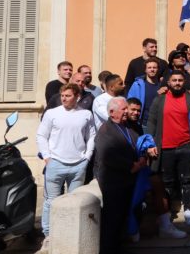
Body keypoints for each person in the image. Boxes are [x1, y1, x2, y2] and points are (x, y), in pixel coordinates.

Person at [36, 83, 95, 248]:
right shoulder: (51, 113)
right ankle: (48, 235)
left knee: (74, 202)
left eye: (68, 96)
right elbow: (41, 135)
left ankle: (71, 233)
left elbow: (91, 136)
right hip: (55, 163)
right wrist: (47, 158)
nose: (64, 98)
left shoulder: (86, 114)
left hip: (78, 165)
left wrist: (87, 157)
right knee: (50, 201)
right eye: (62, 95)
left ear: (77, 96)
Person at [125, 98, 187, 239]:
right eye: (132, 110)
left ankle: (165, 225)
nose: (136, 113)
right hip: (125, 170)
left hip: (139, 167)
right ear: (125, 109)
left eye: (138, 111)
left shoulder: (138, 127)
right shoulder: (121, 126)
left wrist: (148, 150)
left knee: (158, 183)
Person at [146, 70, 190, 227]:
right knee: (167, 181)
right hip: (166, 147)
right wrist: (150, 143)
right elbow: (151, 122)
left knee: (187, 179)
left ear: (184, 82)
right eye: (174, 80)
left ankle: (188, 208)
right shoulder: (159, 99)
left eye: (180, 80)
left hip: (186, 145)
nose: (177, 83)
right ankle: (168, 211)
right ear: (168, 83)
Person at [95, 97, 147, 254]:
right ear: (112, 112)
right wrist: (132, 166)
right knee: (112, 221)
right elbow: (107, 156)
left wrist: (144, 154)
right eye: (124, 109)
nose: (127, 112)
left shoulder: (127, 128)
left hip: (127, 182)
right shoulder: (105, 131)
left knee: (122, 219)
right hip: (114, 183)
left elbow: (137, 145)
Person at [127, 58, 163, 131]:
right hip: (143, 124)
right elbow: (130, 103)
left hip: (160, 124)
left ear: (158, 69)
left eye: (154, 67)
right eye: (149, 67)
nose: (152, 69)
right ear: (145, 70)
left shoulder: (162, 86)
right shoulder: (137, 85)